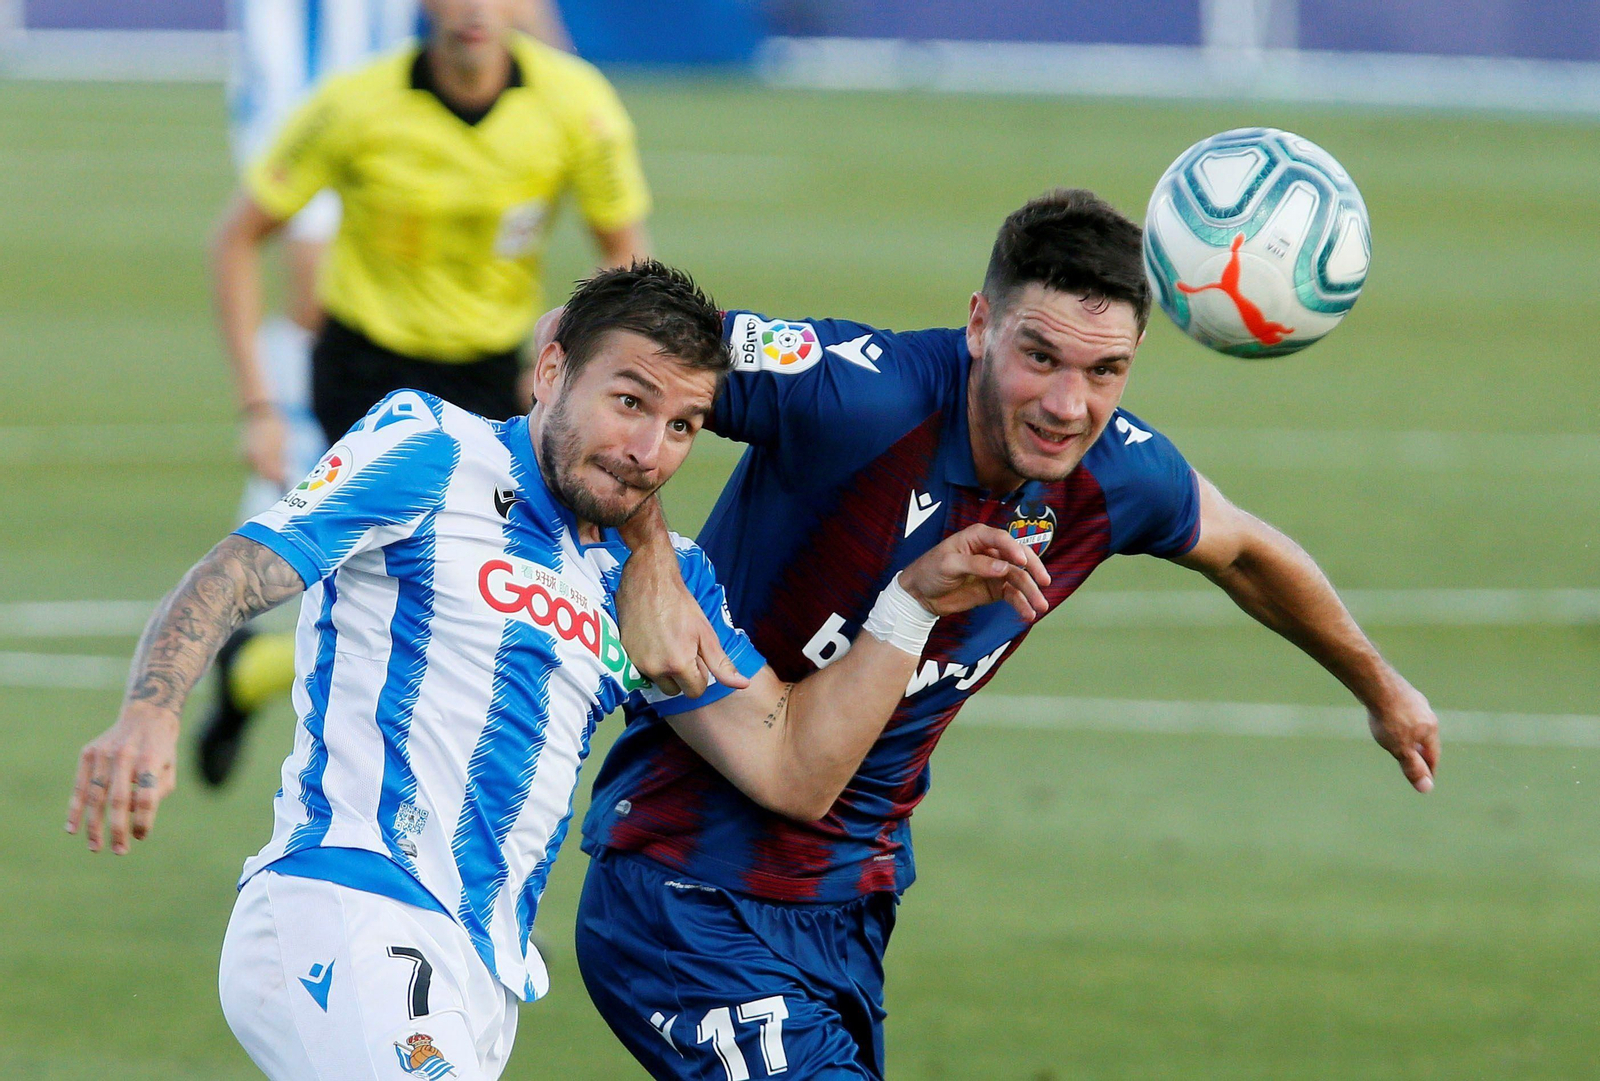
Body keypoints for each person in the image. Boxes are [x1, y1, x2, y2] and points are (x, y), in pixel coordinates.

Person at [64, 262, 1051, 1081]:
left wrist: (908, 603)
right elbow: (240, 567)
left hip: (480, 969)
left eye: (680, 426)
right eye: (627, 402)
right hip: (344, 903)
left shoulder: (663, 588)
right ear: (549, 372)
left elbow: (793, 767)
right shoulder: (430, 447)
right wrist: (150, 709)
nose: (648, 449)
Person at [571, 190, 1443, 1079]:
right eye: (1041, 355)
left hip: (848, 905)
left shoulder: (1117, 476)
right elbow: (588, 336)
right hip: (687, 889)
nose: (1068, 403)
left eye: (1104, 370)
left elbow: (1247, 550)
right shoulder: (859, 395)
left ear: (1137, 356)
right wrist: (646, 554)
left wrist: (1384, 690)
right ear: (981, 323)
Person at [200, 0, 649, 786]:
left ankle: (254, 673)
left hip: (492, 376)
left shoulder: (576, 104)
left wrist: (564, 370)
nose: (474, 10)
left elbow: (626, 271)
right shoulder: (354, 105)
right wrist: (258, 406)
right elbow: (236, 238)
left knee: (482, 594)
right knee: (408, 597)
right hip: (367, 377)